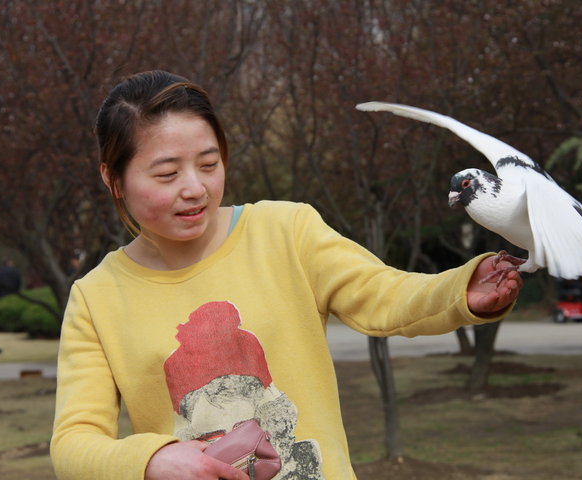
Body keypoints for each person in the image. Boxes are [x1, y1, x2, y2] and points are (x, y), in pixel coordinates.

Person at [50, 70, 523, 480]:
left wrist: (459, 288)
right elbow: (73, 443)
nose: (195, 188)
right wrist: (154, 460)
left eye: (209, 164)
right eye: (167, 174)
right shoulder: (96, 298)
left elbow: (383, 295)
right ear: (113, 179)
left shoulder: (286, 230)